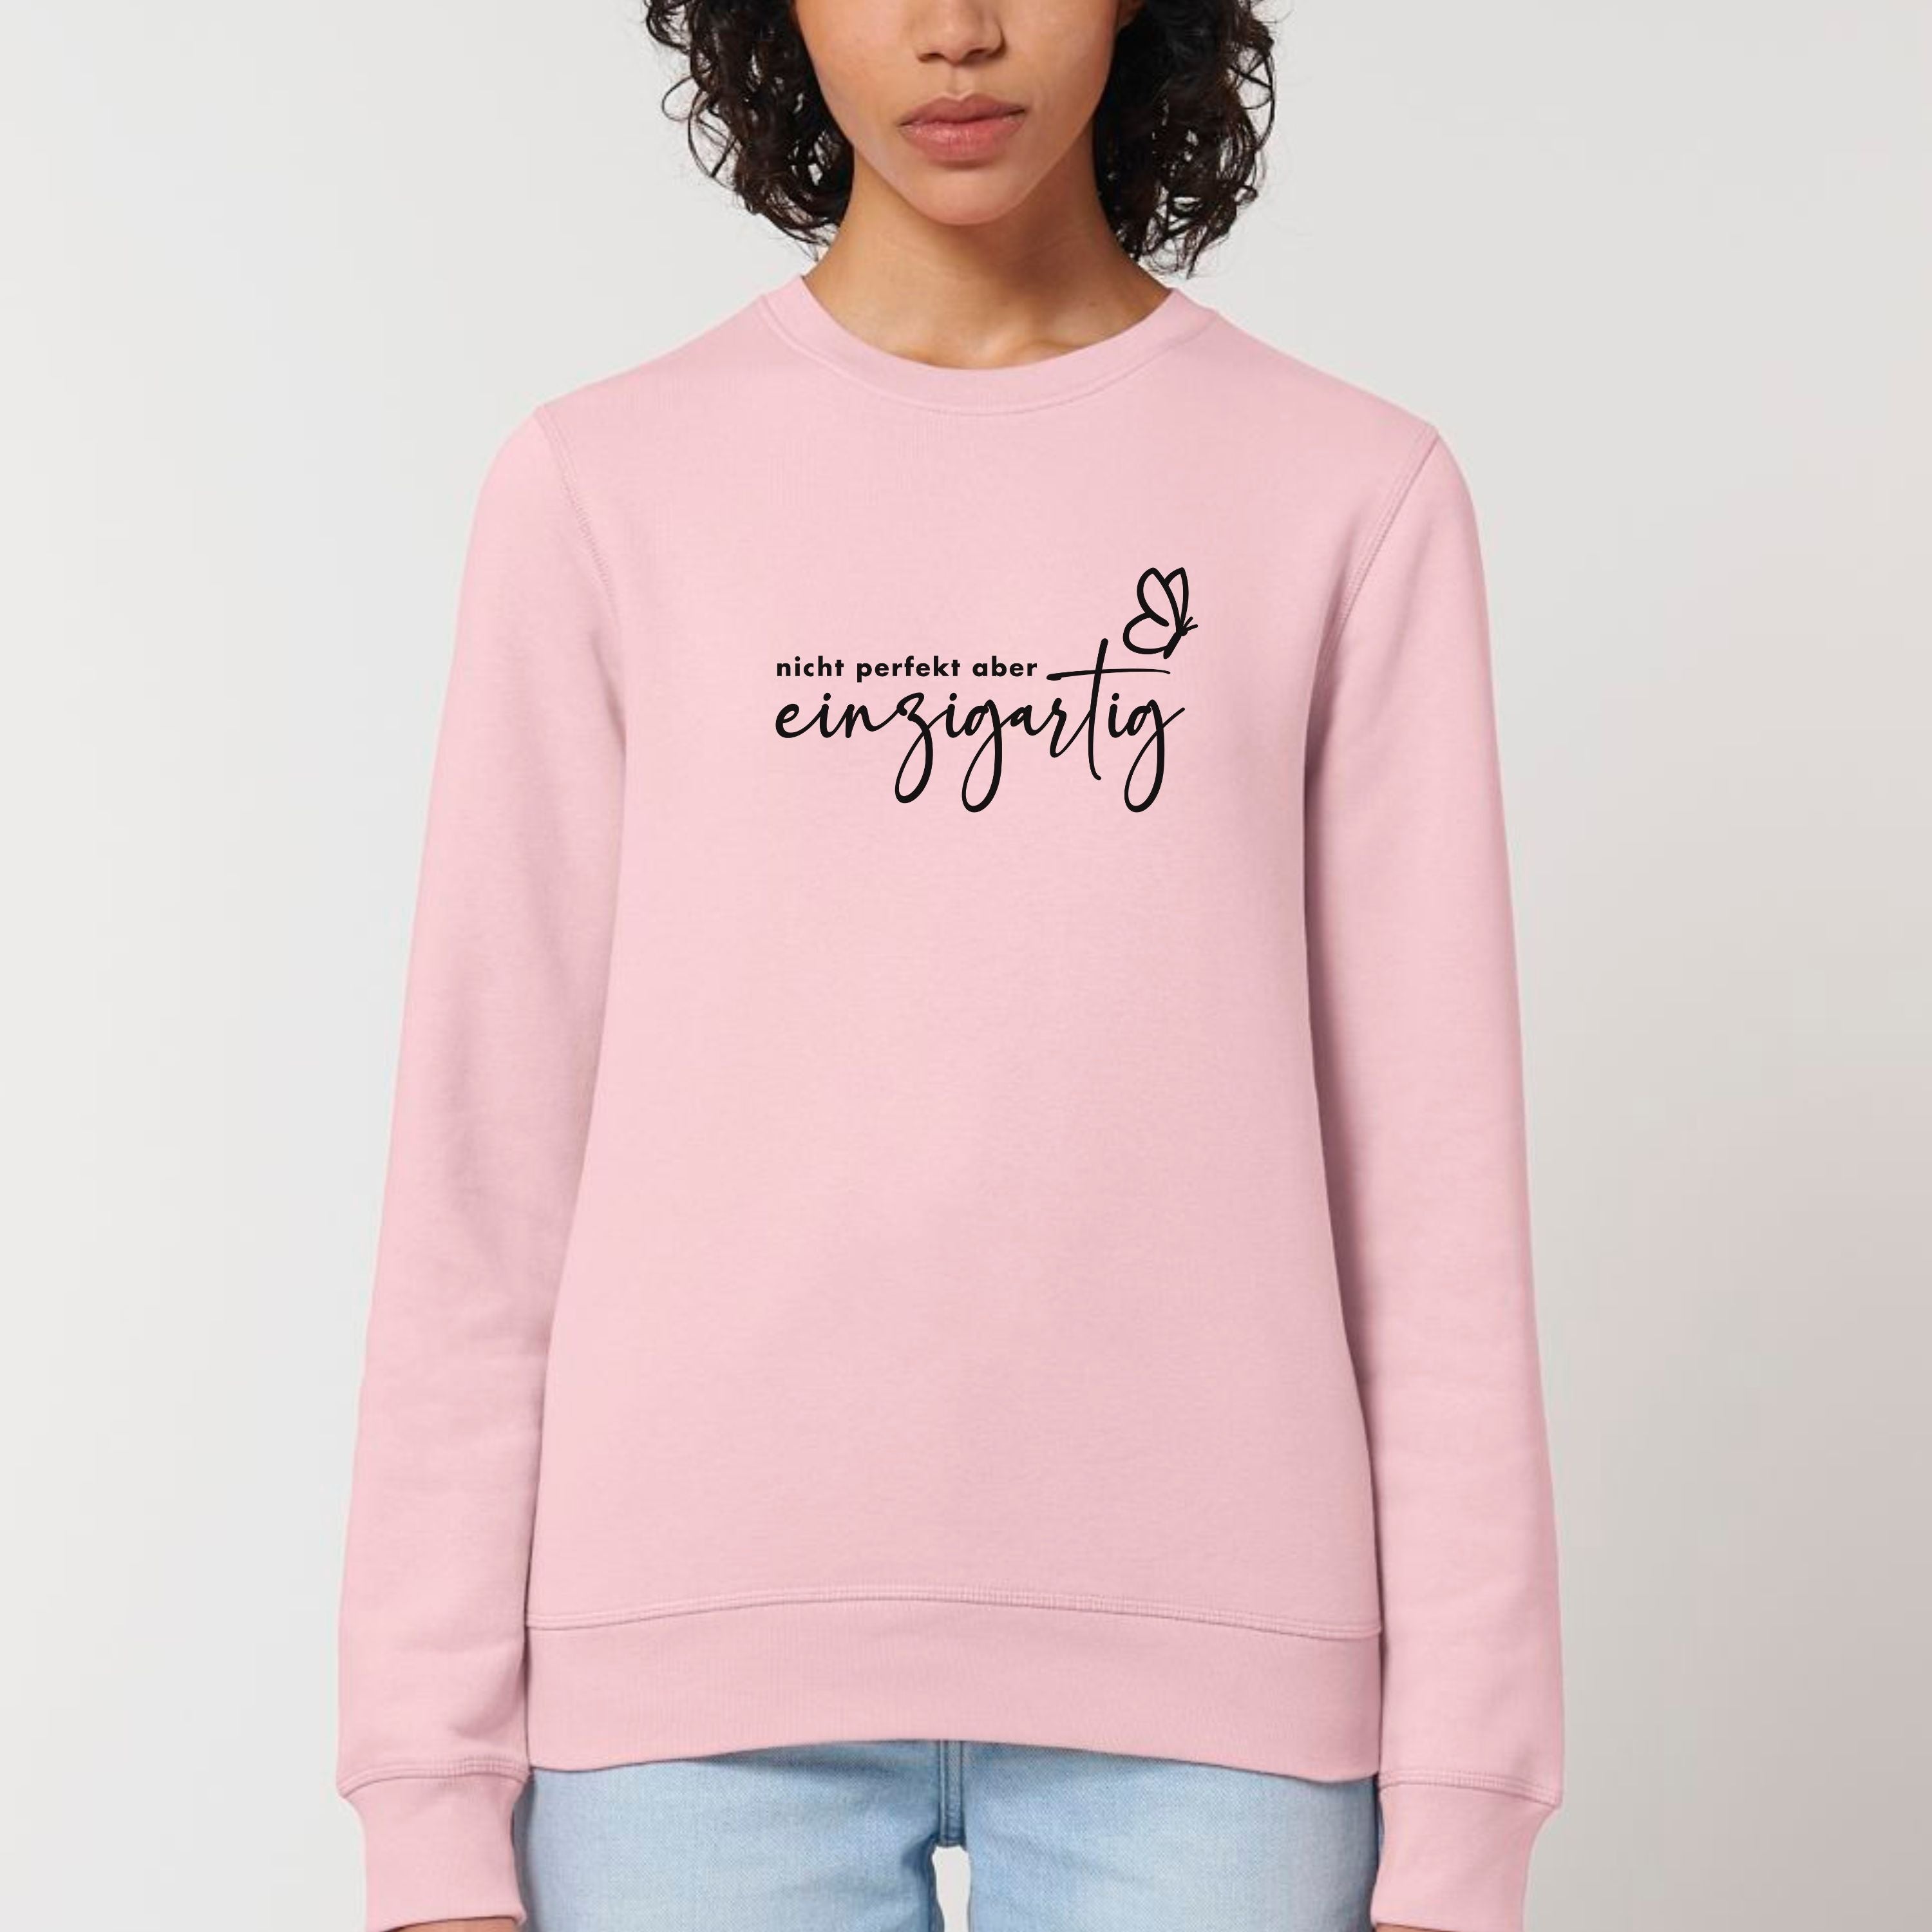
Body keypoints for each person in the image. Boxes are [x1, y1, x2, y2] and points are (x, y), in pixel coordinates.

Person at [332, 1, 1566, 1928]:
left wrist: (1468, 1807)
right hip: (687, 1684)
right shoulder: (602, 488)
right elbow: (484, 1170)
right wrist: (429, 1790)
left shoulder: (1351, 491)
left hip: (1223, 1688)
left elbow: (1436, 1199)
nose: (957, 30)